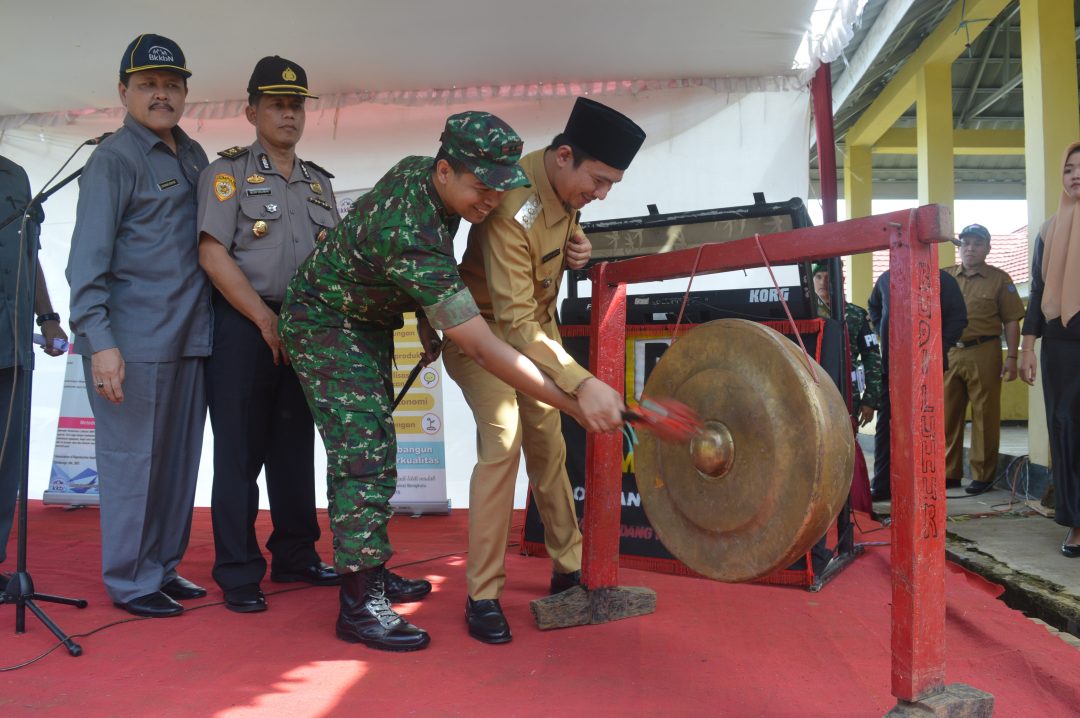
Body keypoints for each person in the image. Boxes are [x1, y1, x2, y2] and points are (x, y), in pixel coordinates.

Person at [280, 111, 624, 653]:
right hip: (326, 321)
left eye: (498, 187)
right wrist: (574, 396)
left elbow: (489, 260)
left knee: (382, 446)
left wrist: (577, 246)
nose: (489, 203)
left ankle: (369, 570)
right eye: (481, 188)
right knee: (364, 452)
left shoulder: (429, 177)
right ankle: (361, 604)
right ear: (445, 170)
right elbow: (487, 341)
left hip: (368, 320)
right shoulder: (413, 229)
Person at [443, 97, 643, 645]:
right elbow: (511, 321)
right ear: (563, 156)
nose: (600, 195)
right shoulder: (512, 205)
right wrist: (581, 381)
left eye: (610, 186)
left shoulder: (561, 188)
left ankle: (568, 567)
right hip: (482, 338)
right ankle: (483, 594)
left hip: (533, 337)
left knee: (549, 444)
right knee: (505, 438)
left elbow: (548, 256)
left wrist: (577, 245)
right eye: (597, 181)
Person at [66, 34, 211, 618]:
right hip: (132, 343)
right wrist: (100, 343)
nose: (161, 94)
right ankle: (129, 580)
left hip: (190, 337)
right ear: (123, 91)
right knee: (133, 465)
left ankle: (162, 568)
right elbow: (85, 261)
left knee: (177, 464)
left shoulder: (194, 154)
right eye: (148, 84)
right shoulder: (114, 159)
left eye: (172, 85)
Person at [197, 57, 342, 614]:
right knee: (239, 452)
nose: (288, 112)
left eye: (296, 103)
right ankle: (237, 570)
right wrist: (263, 318)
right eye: (277, 103)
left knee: (293, 447)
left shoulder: (320, 184)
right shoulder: (228, 174)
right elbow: (212, 252)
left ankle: (297, 554)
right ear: (252, 110)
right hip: (243, 322)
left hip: (304, 326)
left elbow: (335, 263)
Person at [1, 156, 68, 571]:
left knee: (7, 462)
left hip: (11, 342)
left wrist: (47, 318)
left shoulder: (14, 175)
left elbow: (30, 253)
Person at [1020, 140, 1080, 557]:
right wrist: (1026, 348)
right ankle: (1076, 524)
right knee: (1065, 430)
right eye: (1069, 169)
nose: (1075, 175)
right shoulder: (1048, 229)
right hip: (1060, 345)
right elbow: (1038, 292)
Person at [867, 268, 967, 502]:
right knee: (886, 424)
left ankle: (925, 487)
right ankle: (882, 485)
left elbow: (958, 318)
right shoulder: (886, 278)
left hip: (927, 367)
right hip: (891, 365)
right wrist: (885, 331)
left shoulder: (941, 279)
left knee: (925, 424)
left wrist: (937, 347)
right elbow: (874, 307)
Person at [944, 224, 1026, 495]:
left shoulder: (1000, 279)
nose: (970, 248)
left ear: (987, 249)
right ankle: (949, 472)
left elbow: (1011, 321)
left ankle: (982, 474)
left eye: (977, 243)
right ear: (960, 247)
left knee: (984, 415)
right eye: (966, 243)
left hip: (984, 351)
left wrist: (1012, 357)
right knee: (946, 414)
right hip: (949, 351)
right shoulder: (945, 277)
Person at [811, 262, 882, 427]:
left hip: (847, 392)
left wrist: (870, 400)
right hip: (812, 390)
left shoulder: (856, 315)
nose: (822, 282)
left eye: (828, 278)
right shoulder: (803, 317)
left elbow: (872, 357)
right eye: (818, 277)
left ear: (840, 280)